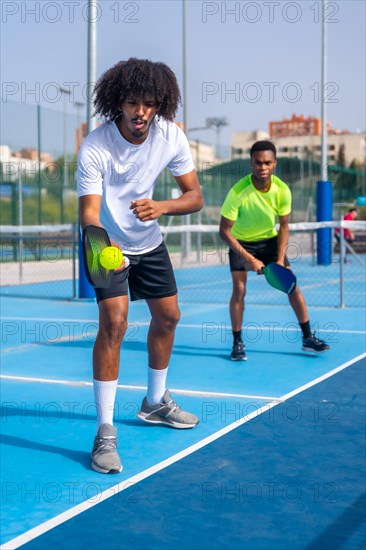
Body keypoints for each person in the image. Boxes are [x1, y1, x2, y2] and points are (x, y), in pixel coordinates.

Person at [77, 58, 203, 474]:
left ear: (160, 104)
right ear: (118, 102)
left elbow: (195, 196)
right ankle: (105, 431)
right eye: (133, 102)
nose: (141, 112)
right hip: (106, 244)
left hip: (149, 242)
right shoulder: (96, 145)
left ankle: (154, 402)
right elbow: (89, 214)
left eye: (150, 103)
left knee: (168, 318)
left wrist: (163, 206)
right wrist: (103, 239)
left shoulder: (171, 136)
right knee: (114, 323)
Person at [219, 140, 330, 362]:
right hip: (242, 242)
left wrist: (279, 260)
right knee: (239, 289)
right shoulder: (238, 191)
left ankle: (308, 338)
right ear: (251, 164)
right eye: (258, 163)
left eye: (267, 163)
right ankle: (237, 342)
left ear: (274, 164)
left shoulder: (282, 190)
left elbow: (285, 226)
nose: (263, 167)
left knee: (293, 286)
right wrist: (249, 259)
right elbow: (224, 231)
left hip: (270, 241)